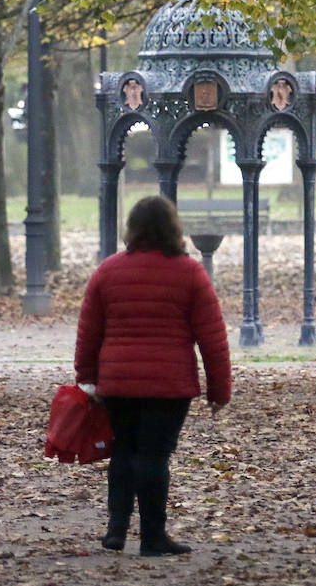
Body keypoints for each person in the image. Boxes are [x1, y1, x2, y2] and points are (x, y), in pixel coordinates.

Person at [74, 195, 232, 557]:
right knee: (155, 457)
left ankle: (116, 530)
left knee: (124, 451)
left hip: (117, 382)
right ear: (174, 228)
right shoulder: (190, 273)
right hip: (169, 384)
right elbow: (213, 337)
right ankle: (152, 537)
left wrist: (87, 378)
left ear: (133, 228)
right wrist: (219, 390)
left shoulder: (108, 271)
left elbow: (89, 331)